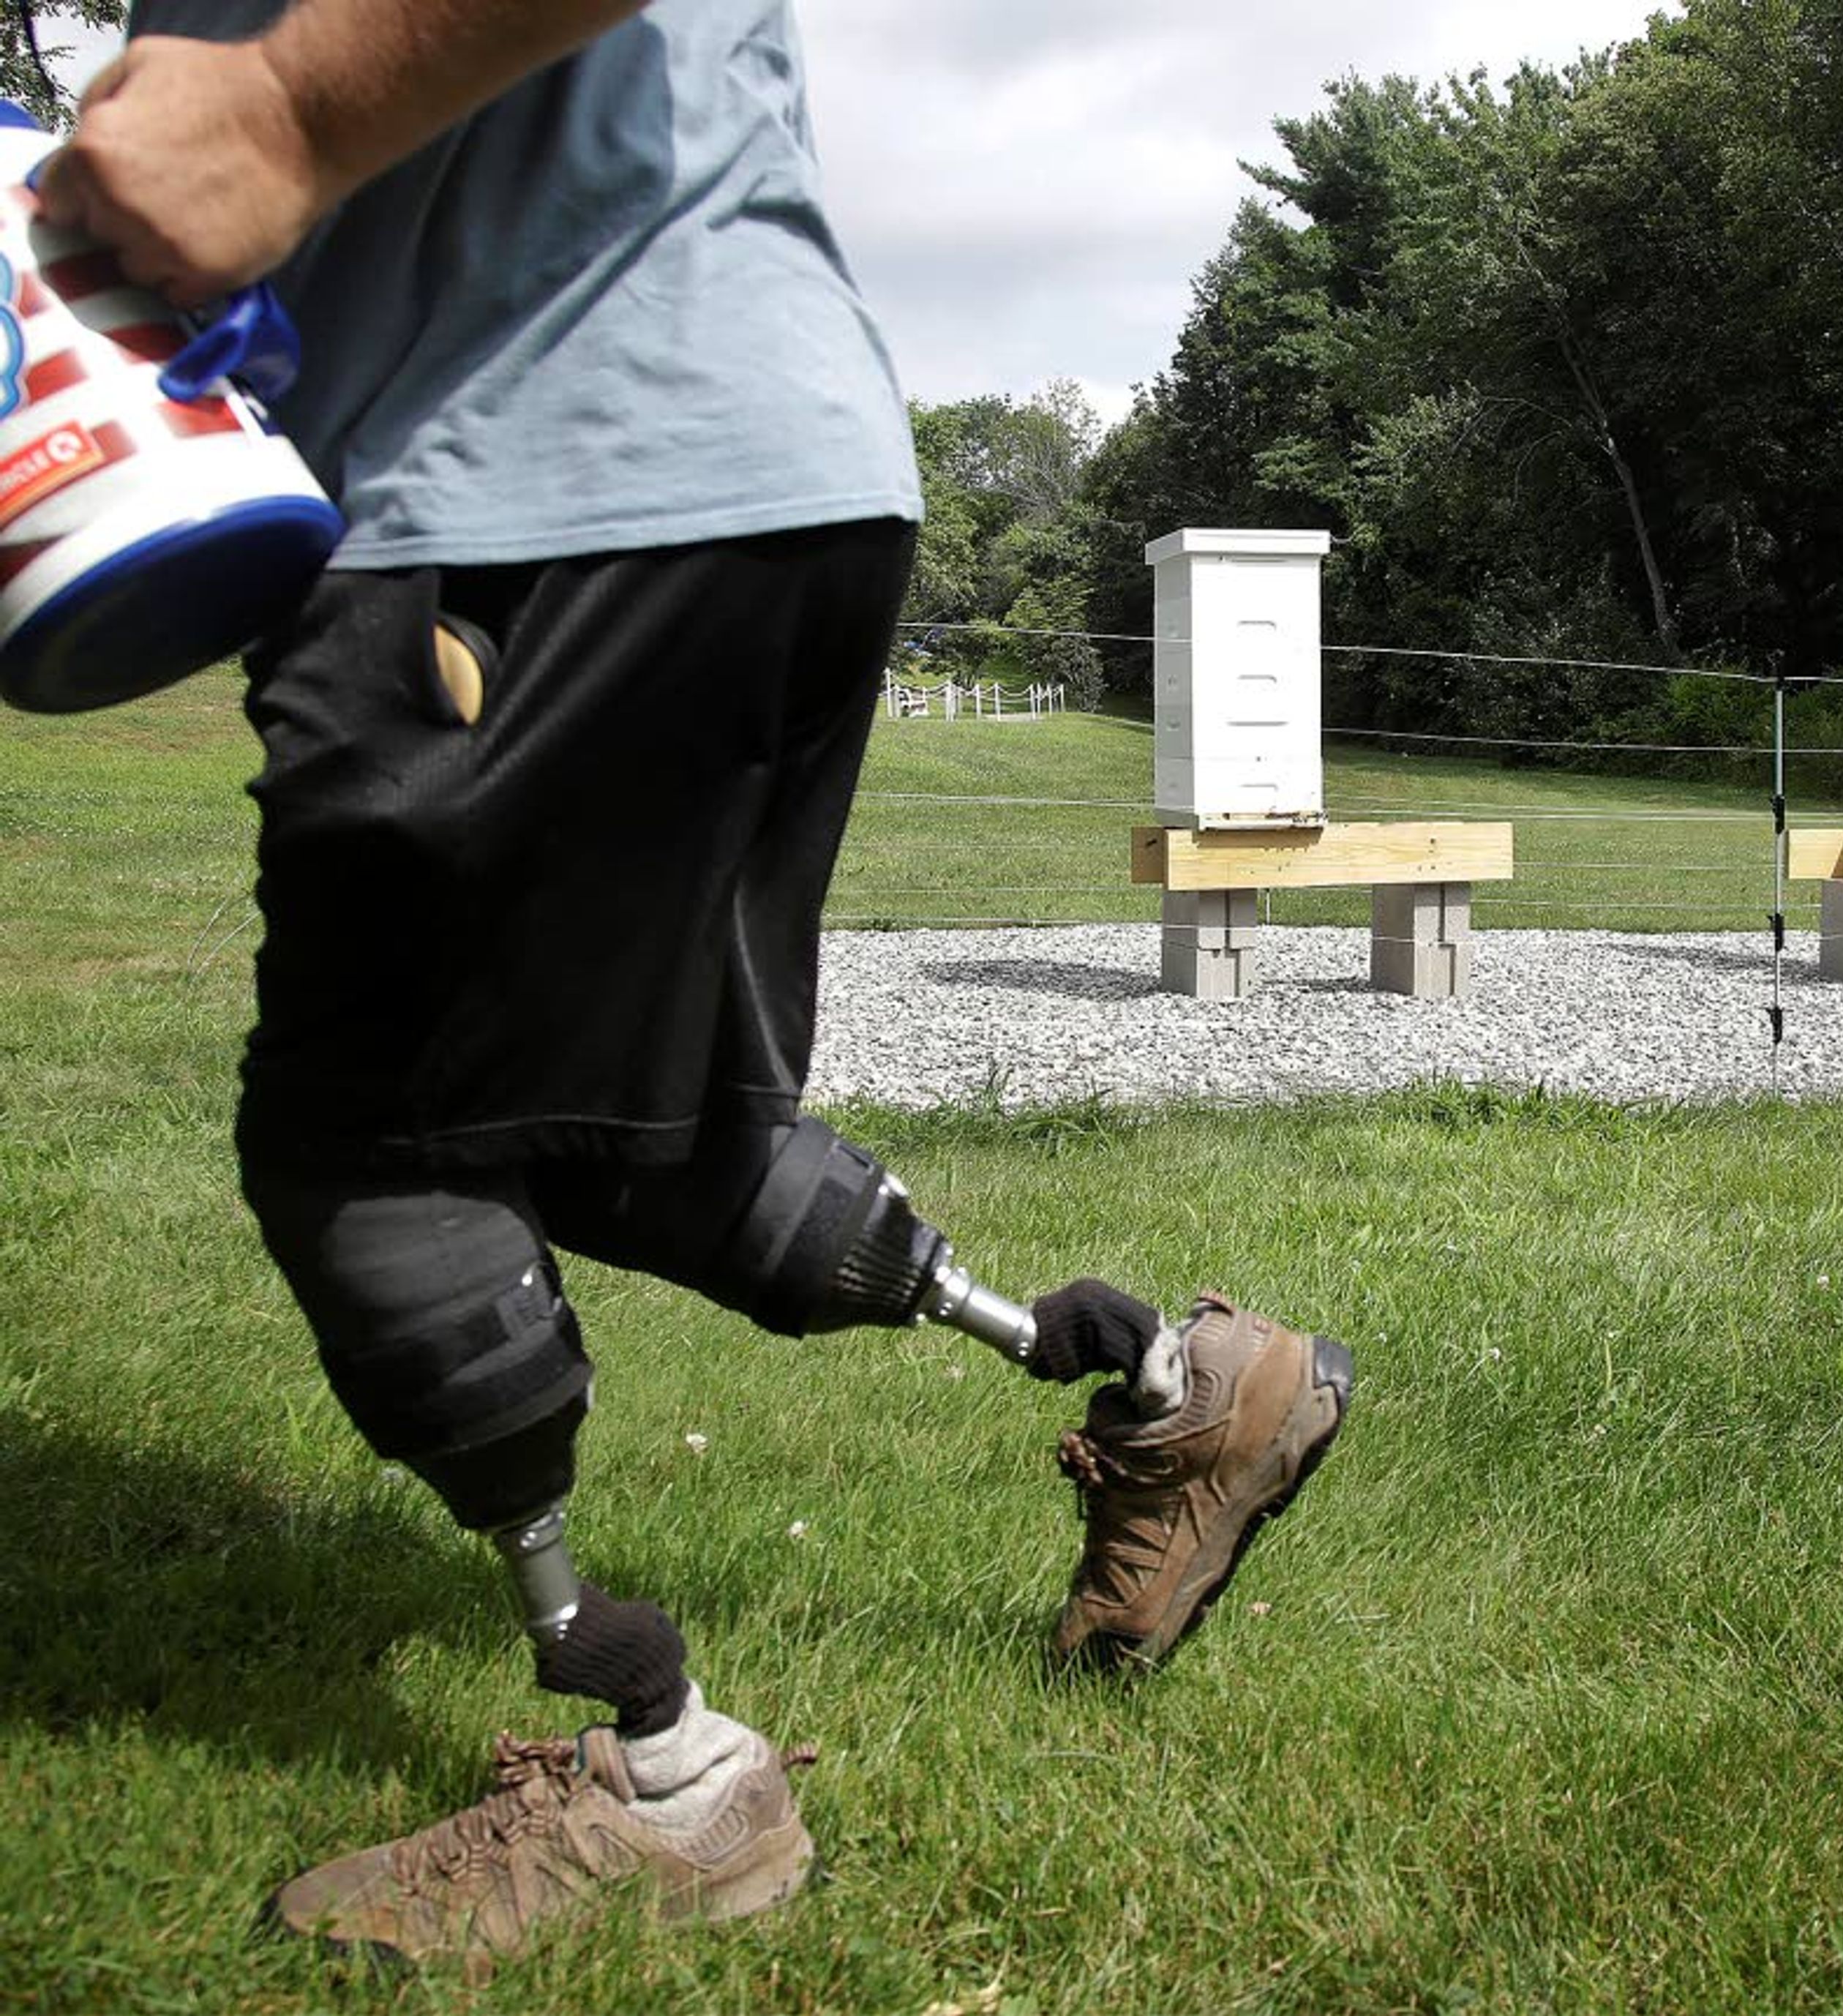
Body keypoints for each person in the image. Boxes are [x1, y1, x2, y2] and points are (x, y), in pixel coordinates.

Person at [39, 0, 1351, 1980]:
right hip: (732, 458)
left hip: (539, 478)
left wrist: (287, 103)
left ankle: (664, 1769)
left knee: (371, 1140)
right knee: (629, 1127)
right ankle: (1178, 1380)